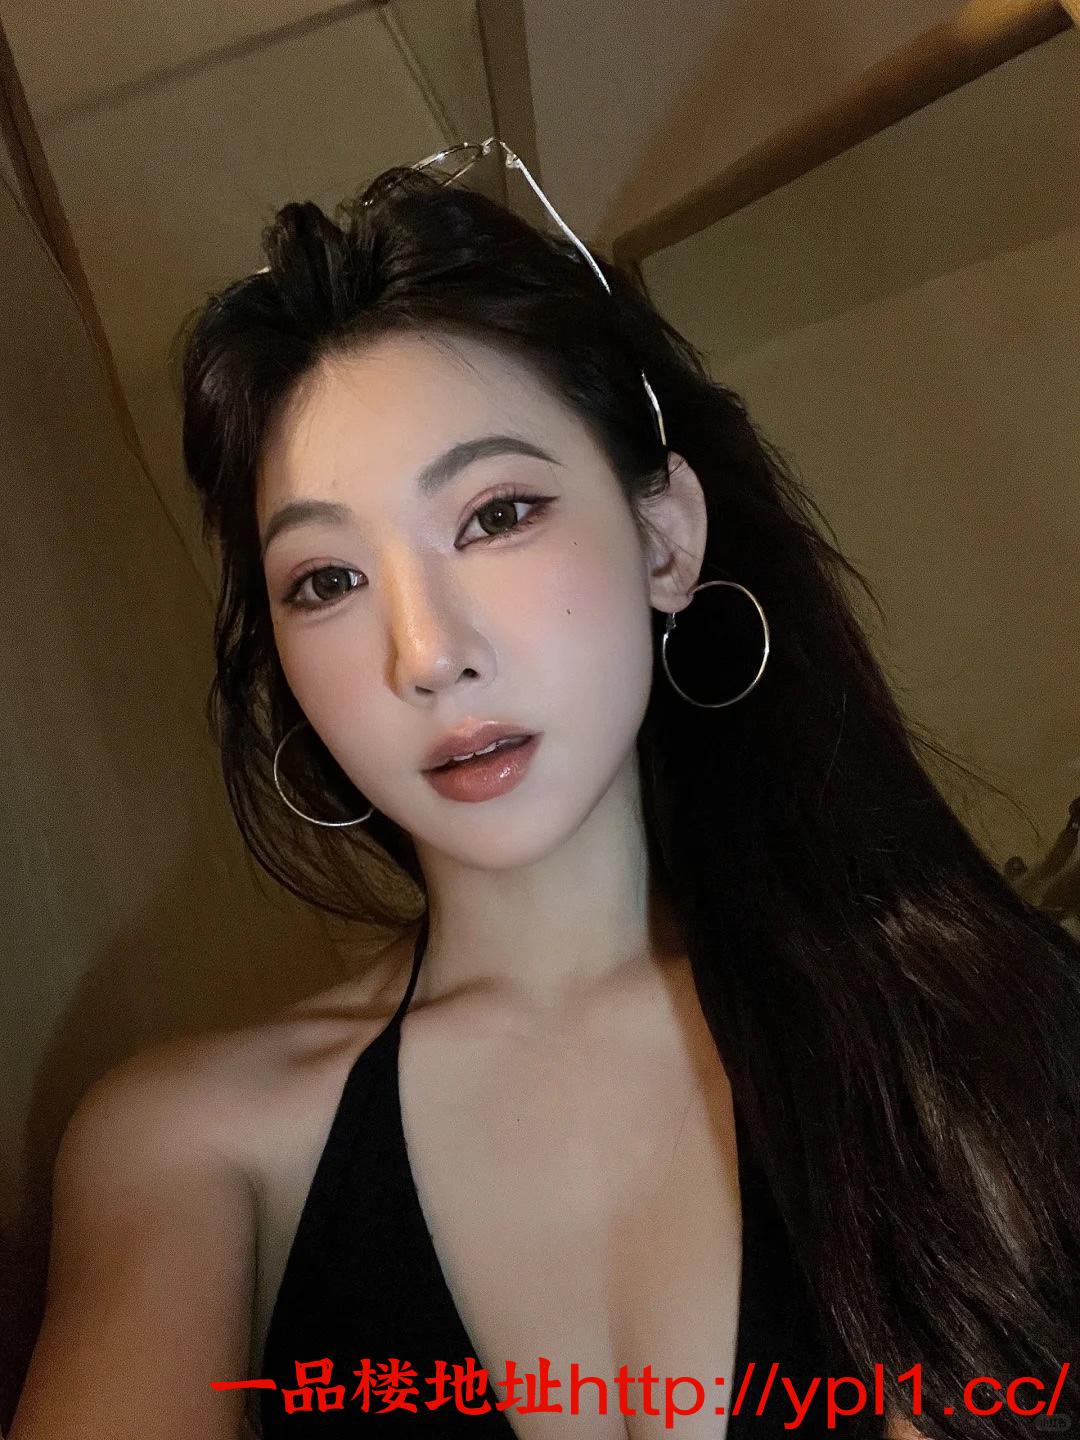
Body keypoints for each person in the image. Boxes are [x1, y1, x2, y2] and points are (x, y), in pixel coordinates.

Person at [10, 140, 1078, 1440]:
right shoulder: (189, 1145)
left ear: (664, 540)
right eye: (327, 581)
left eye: (496, 515)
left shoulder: (966, 1026)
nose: (427, 653)